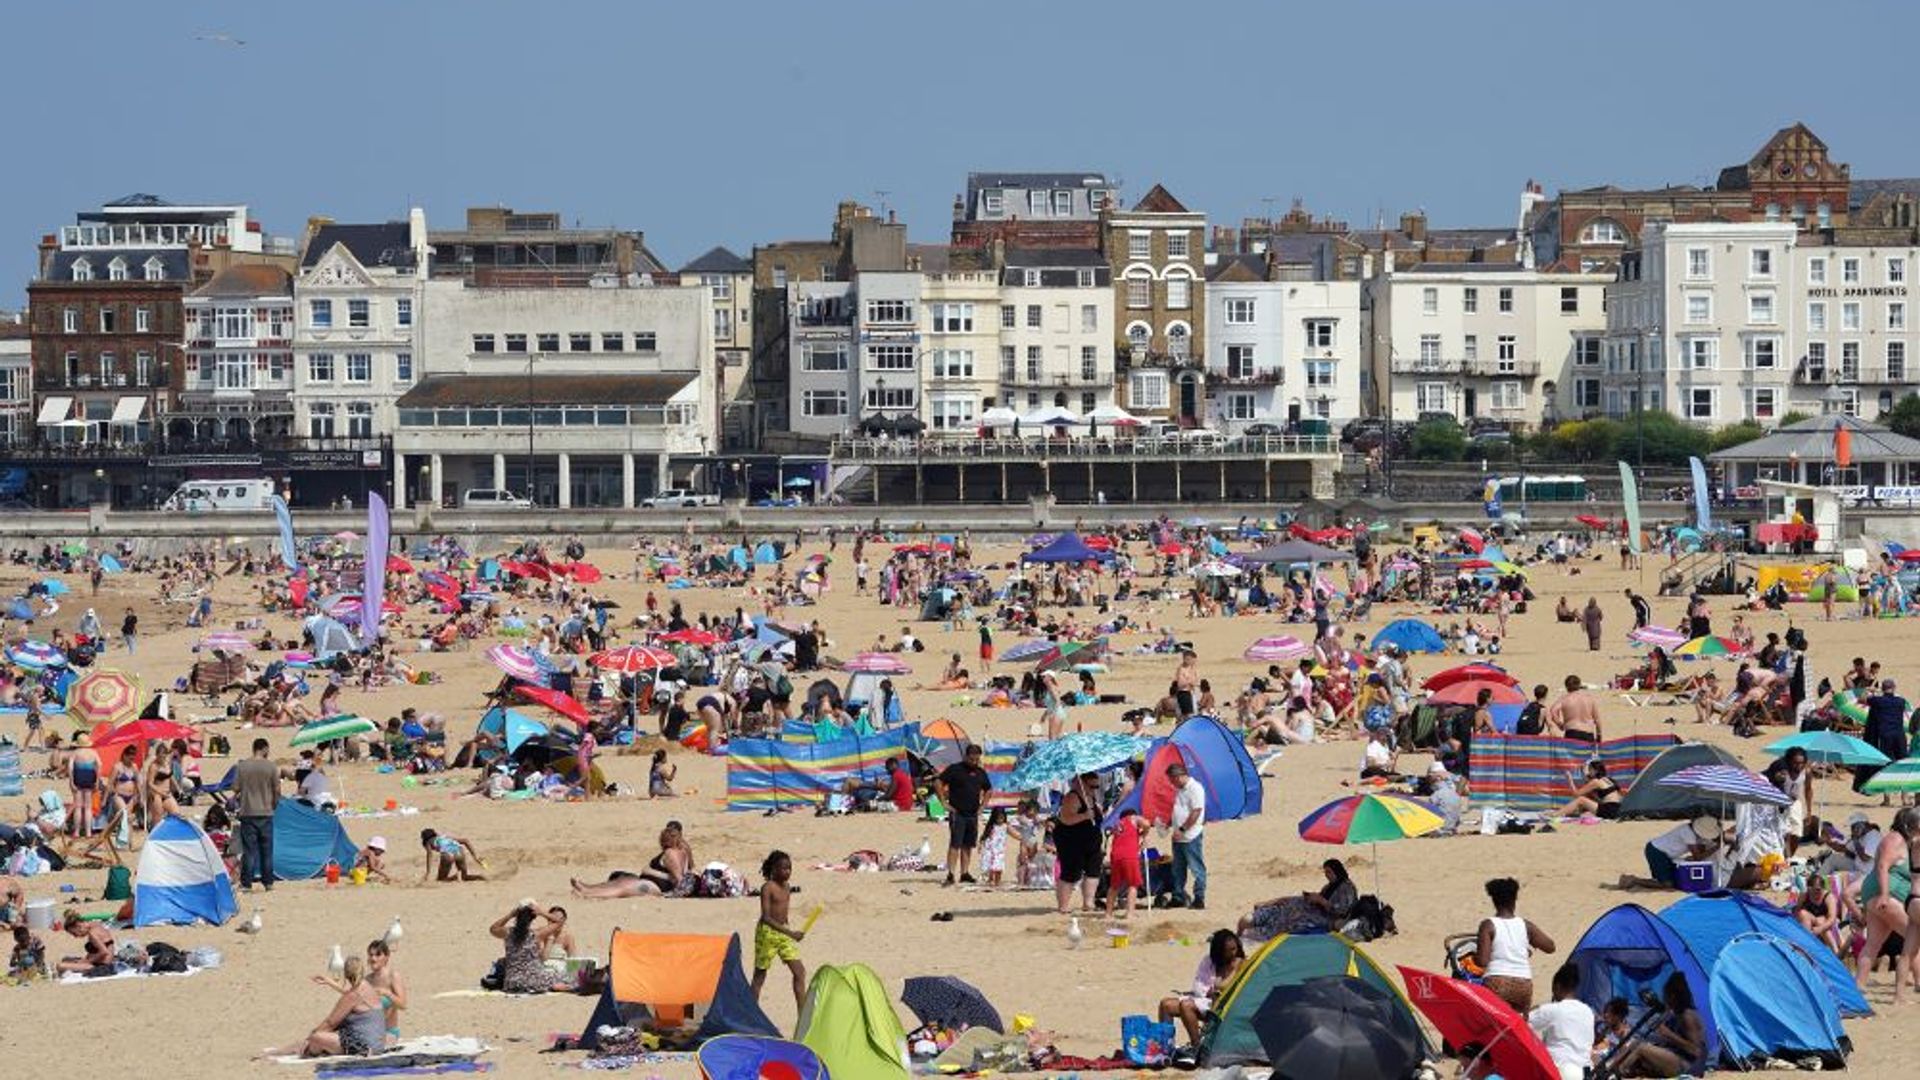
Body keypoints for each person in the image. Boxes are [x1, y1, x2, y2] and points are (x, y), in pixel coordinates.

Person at [263, 955, 387, 1058]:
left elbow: (330, 1023)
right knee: (322, 1036)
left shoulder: (352, 996)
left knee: (316, 1038)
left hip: (363, 1047)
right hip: (377, 1043)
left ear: (346, 974)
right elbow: (353, 997)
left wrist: (311, 1035)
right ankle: (284, 1050)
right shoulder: (367, 987)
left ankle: (295, 1051)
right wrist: (329, 982)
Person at [1474, 877, 1556, 1012]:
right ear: (1514, 900)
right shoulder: (1525, 925)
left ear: (1494, 901)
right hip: (1523, 984)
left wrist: (1475, 957)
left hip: (1496, 982)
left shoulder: (1488, 925)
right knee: (1515, 1022)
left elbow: (1483, 961)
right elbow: (1550, 947)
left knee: (1492, 1021)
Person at [1157, 930, 1244, 1054]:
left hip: (1224, 1006)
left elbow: (1224, 987)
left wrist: (1215, 988)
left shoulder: (1240, 963)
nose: (1233, 953)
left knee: (1186, 1005)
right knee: (1166, 1004)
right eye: (1229, 950)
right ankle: (1166, 1047)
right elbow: (1199, 987)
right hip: (1205, 1001)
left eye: (1234, 949)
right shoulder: (1209, 962)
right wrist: (1212, 990)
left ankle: (1197, 1048)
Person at [1859, 807, 1915, 996]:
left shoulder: (1905, 842)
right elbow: (1883, 865)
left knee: (1873, 943)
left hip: (1878, 896)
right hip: (1884, 895)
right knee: (1914, 937)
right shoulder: (1894, 839)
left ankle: (1859, 985)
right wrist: (1884, 894)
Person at [314, 940, 407, 1047]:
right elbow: (352, 995)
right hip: (369, 1032)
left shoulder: (393, 976)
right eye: (371, 955)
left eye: (378, 955)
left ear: (387, 957)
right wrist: (329, 982)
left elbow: (403, 1004)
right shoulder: (368, 979)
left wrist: (387, 993)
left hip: (388, 1033)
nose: (373, 958)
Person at [1239, 858, 1358, 942]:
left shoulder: (1346, 888)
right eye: (1325, 872)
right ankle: (1264, 909)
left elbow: (1342, 911)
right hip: (1317, 909)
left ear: (1337, 871)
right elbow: (1322, 897)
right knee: (1288, 902)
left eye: (1329, 872)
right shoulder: (1331, 885)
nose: (1326, 875)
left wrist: (1322, 901)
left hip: (1326, 917)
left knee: (1294, 918)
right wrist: (1314, 898)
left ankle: (1261, 930)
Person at [1614, 973, 1707, 1078]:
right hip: (1676, 1059)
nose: (1664, 999)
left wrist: (1669, 1034)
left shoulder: (1688, 1016)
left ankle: (1618, 1072)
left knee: (1640, 1047)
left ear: (1673, 996)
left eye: (1666, 995)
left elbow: (1696, 1051)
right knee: (1636, 1044)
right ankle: (1610, 1068)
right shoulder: (1675, 1014)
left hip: (1687, 1066)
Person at [571, 823, 693, 898]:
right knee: (620, 882)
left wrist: (652, 872)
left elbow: (679, 879)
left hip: (655, 886)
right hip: (654, 883)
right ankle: (587, 888)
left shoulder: (671, 853)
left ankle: (587, 894)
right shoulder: (682, 850)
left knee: (621, 889)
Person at [750, 850, 806, 1011]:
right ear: (773, 869)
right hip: (767, 934)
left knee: (799, 971)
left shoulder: (788, 887)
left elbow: (783, 912)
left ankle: (802, 1013)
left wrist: (789, 931)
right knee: (760, 975)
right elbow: (766, 917)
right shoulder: (768, 888)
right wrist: (791, 933)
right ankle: (751, 1013)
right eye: (783, 868)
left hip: (783, 933)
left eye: (789, 868)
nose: (787, 872)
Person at [1528, 963, 1596, 1080]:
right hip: (1586, 1072)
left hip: (1562, 1070)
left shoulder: (1552, 1009)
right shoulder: (1588, 1011)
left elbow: (1523, 1022)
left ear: (1557, 987)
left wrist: (1535, 1007)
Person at [937, 744, 992, 886]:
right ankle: (950, 873)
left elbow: (988, 789)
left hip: (973, 813)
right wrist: (943, 802)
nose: (975, 762)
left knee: (968, 844)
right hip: (957, 812)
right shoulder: (955, 769)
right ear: (966, 756)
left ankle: (964, 873)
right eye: (972, 759)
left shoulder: (980, 772)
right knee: (955, 843)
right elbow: (938, 782)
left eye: (977, 759)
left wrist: (982, 807)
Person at [1620, 815, 1721, 890]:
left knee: (1674, 881)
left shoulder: (1694, 832)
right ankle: (1633, 880)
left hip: (1663, 852)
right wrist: (1717, 847)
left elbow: (1699, 853)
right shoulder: (1687, 833)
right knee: (1667, 885)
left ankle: (1636, 880)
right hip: (1657, 851)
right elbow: (1698, 857)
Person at [234, 738, 283, 892]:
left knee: (249, 851)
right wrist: (274, 805)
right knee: (266, 850)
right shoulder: (271, 767)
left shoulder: (242, 766)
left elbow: (235, 788)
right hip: (266, 812)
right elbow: (277, 790)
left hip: (248, 812)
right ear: (264, 749)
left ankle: (246, 884)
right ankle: (268, 883)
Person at [1053, 771, 1104, 915]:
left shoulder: (1091, 797)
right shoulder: (1072, 797)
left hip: (1091, 841)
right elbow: (1066, 818)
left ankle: (1088, 902)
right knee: (1071, 872)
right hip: (1072, 841)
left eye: (1097, 786)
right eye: (1092, 786)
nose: (1095, 789)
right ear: (1081, 782)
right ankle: (1063, 905)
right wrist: (1085, 815)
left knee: (1093, 870)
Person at [489, 904, 566, 994]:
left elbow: (493, 929)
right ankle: (555, 986)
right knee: (560, 977)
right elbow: (560, 922)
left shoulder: (508, 933)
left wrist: (510, 915)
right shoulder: (536, 934)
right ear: (532, 919)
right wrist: (541, 912)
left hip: (511, 982)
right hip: (532, 980)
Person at [1166, 761, 1207, 911]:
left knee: (1196, 867)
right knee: (1178, 868)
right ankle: (1178, 896)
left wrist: (1182, 829)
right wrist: (1169, 823)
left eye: (1172, 780)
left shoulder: (1195, 788)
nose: (1172, 783)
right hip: (1179, 834)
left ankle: (1199, 898)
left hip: (1191, 835)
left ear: (1178, 777)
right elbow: (1179, 809)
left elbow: (1196, 812)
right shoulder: (1180, 790)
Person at [1105, 806, 1143, 921]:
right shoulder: (1133, 818)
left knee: (1114, 886)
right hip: (1129, 856)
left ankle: (1108, 914)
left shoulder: (1118, 824)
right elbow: (1146, 823)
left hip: (1116, 855)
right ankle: (1130, 913)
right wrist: (1144, 833)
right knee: (1133, 884)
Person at [1553, 759, 1623, 820]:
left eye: (1590, 769)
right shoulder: (1608, 780)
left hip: (1609, 810)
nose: (1589, 772)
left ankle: (1555, 815)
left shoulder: (1596, 782)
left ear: (1595, 771)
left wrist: (1569, 779)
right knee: (1587, 802)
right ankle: (1560, 813)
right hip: (1618, 809)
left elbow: (1576, 794)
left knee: (1581, 800)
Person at [1545, 674, 1602, 743]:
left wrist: (1560, 724)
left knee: (1571, 753)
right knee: (1586, 753)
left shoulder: (1564, 699)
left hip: (1571, 732)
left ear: (1566, 687)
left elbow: (1553, 711)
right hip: (1587, 733)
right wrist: (1599, 735)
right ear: (1579, 685)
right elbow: (1597, 720)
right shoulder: (1589, 699)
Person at [56, 910, 115, 975]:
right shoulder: (95, 925)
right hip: (99, 962)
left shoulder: (93, 934)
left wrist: (87, 961)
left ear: (78, 926)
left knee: (60, 966)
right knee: (66, 959)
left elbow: (104, 952)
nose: (76, 936)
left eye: (74, 933)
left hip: (101, 966)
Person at [1795, 871, 1841, 949]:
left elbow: (1832, 918)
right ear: (1809, 888)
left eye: (1819, 890)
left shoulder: (1828, 897)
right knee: (1803, 913)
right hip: (1810, 922)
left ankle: (1835, 951)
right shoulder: (1804, 895)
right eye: (1814, 889)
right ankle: (1807, 945)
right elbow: (1797, 911)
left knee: (1820, 920)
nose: (1816, 892)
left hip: (1825, 923)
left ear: (1823, 888)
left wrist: (1820, 928)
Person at [420, 828, 485, 882]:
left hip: (448, 855)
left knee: (441, 879)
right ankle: (481, 877)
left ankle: (455, 877)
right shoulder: (445, 837)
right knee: (464, 877)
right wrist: (475, 856)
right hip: (459, 851)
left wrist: (428, 872)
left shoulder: (427, 842)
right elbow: (465, 841)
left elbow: (429, 855)